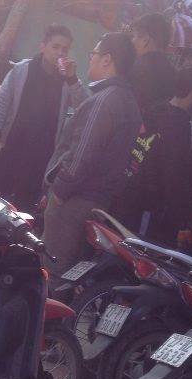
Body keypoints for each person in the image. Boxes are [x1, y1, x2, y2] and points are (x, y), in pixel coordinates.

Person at [43, 32, 140, 279]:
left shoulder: (104, 101)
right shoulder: (127, 101)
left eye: (93, 54)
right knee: (69, 275)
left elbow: (81, 155)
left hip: (74, 202)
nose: (90, 59)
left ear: (107, 59)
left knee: (52, 271)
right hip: (98, 203)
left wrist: (59, 192)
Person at [0, 25, 82, 211]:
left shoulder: (67, 80)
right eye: (55, 47)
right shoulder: (23, 69)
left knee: (24, 207)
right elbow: (4, 100)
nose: (60, 53)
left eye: (64, 49)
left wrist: (72, 79)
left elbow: (82, 106)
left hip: (42, 155)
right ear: (43, 46)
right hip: (12, 146)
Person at [115, 63, 192, 245]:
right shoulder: (180, 125)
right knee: (136, 249)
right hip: (148, 203)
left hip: (126, 189)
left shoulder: (154, 109)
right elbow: (172, 173)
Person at [129, 12, 177, 112]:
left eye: (134, 36)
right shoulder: (173, 71)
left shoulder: (134, 69)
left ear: (145, 40)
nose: (132, 41)